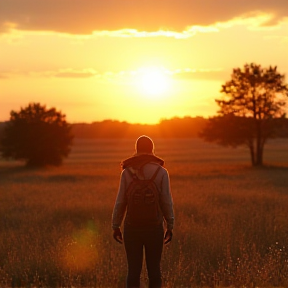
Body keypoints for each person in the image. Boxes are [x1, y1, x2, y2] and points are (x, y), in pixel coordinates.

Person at [112, 135, 175, 288]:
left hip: (132, 227)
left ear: (137, 149)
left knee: (133, 271)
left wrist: (116, 225)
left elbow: (121, 201)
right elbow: (166, 201)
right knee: (154, 271)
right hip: (154, 228)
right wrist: (170, 224)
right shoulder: (161, 172)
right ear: (152, 149)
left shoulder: (127, 172)